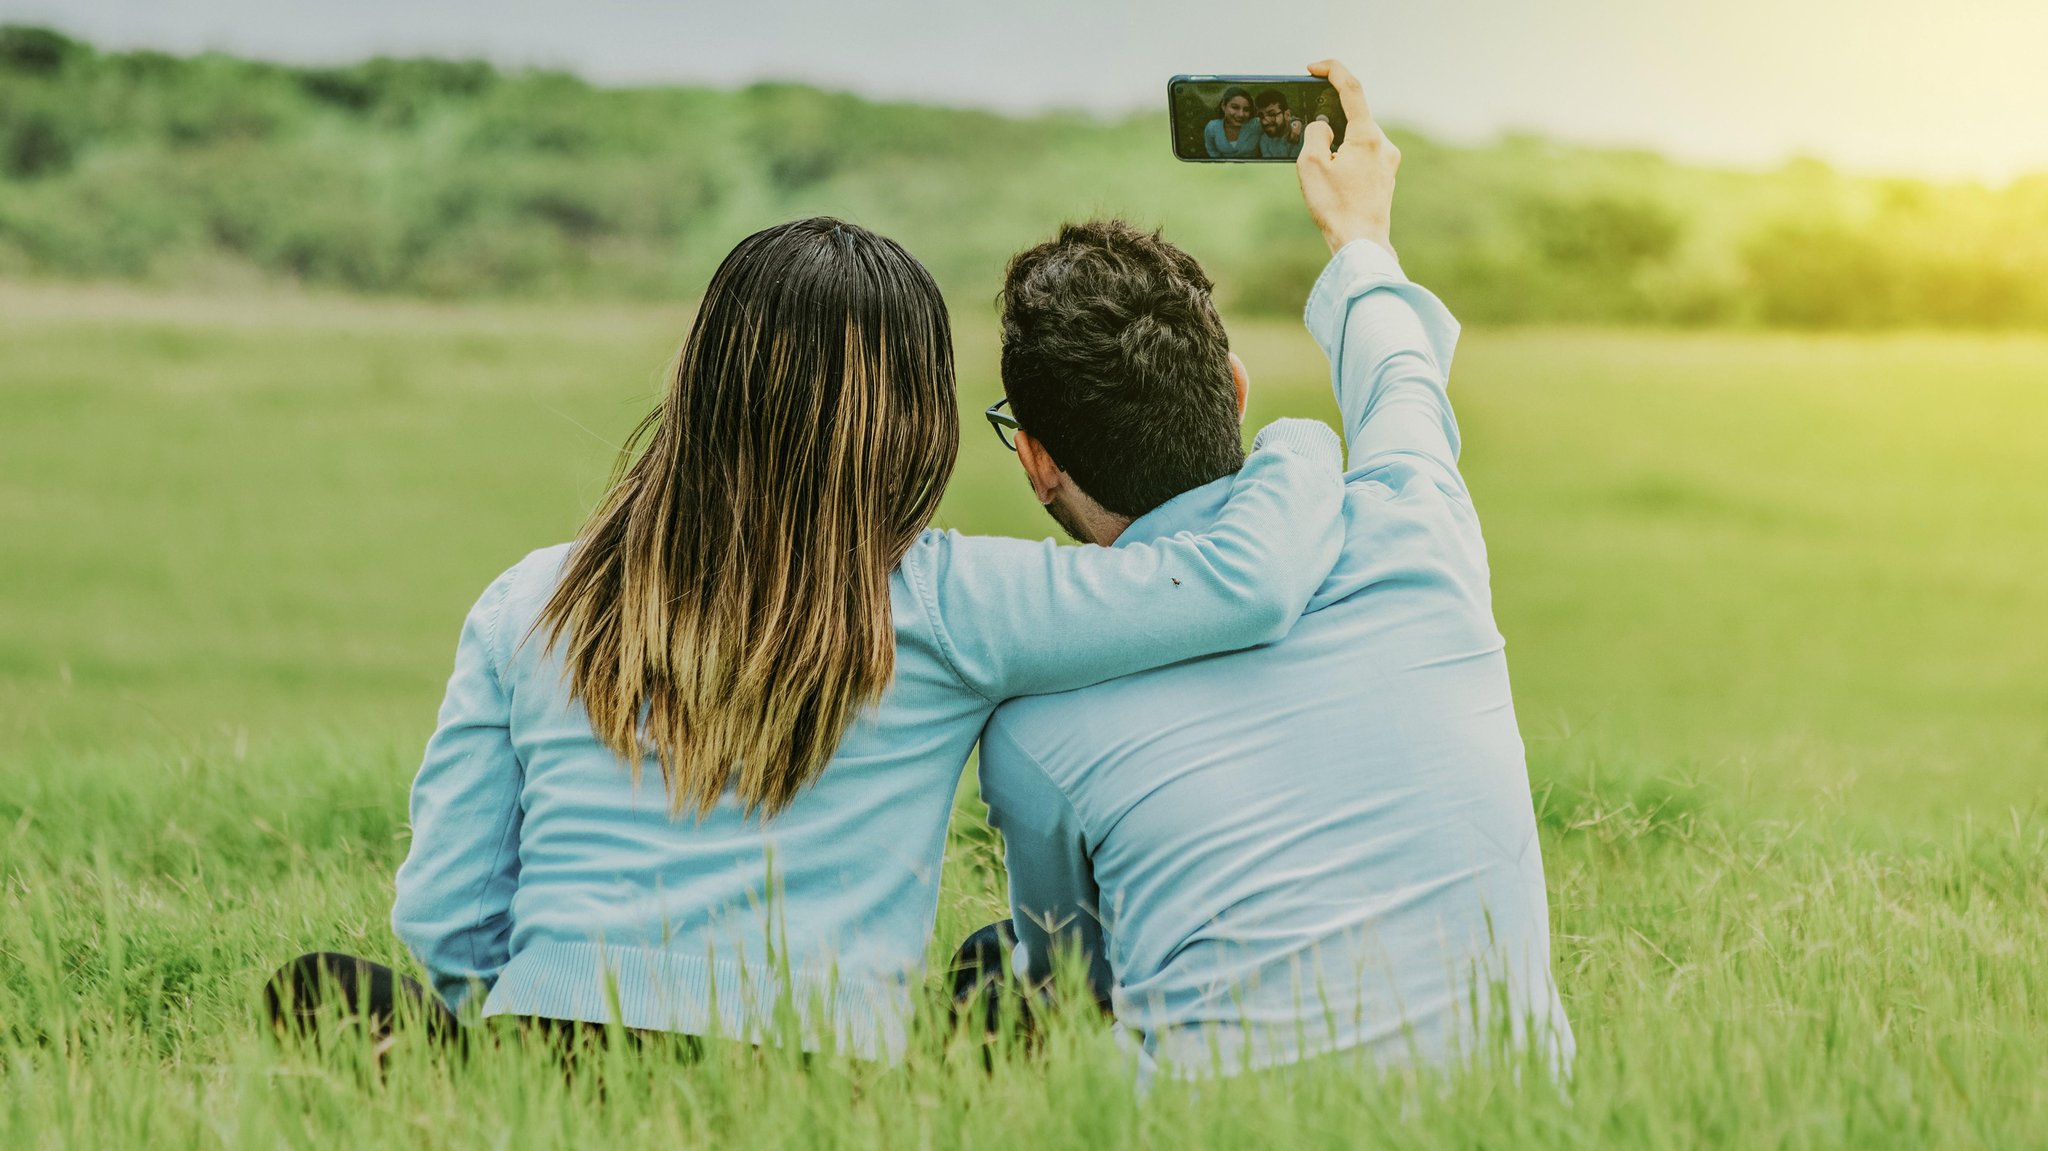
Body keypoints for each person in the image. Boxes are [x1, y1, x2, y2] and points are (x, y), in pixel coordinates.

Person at [264, 217, 1350, 1059]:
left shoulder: (533, 599)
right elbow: (1244, 581)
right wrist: (1296, 438)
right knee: (1002, 975)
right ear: (917, 418)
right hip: (825, 1070)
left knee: (321, 987)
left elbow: (445, 918)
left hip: (546, 1043)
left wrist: (499, 1030)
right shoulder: (951, 600)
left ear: (699, 381)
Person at [963, 60, 1574, 1084]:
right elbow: (1397, 377)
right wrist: (1359, 234)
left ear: (1035, 459)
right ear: (1233, 387)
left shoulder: (1035, 728)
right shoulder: (1416, 531)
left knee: (991, 971)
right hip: (1522, 1111)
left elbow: (1063, 980)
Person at [1251, 87, 1325, 160]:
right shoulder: (1264, 141)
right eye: (1261, 116)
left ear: (1287, 114)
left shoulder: (1308, 136)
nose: (1264, 122)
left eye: (1272, 114)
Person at [1201, 86, 1260, 158]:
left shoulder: (1258, 125)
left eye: (1246, 109)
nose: (1241, 114)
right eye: (1235, 107)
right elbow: (1212, 151)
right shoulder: (1212, 127)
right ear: (1223, 106)